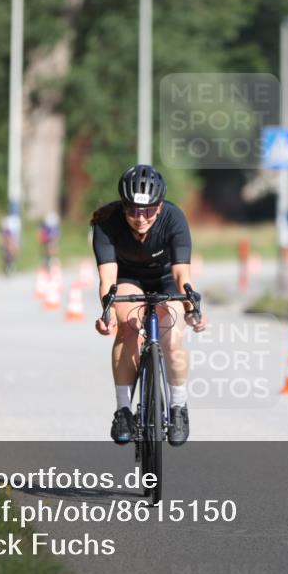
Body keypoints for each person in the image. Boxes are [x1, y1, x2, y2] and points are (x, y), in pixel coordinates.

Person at [91, 165, 207, 447]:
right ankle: (123, 412)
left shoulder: (174, 217)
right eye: (132, 210)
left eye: (148, 211)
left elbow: (182, 275)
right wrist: (107, 313)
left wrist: (191, 309)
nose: (140, 218)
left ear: (160, 205)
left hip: (167, 279)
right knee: (128, 328)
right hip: (128, 279)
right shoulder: (108, 222)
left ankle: (178, 408)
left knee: (172, 340)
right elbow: (107, 278)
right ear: (123, 207)